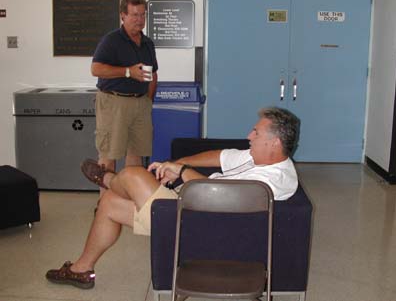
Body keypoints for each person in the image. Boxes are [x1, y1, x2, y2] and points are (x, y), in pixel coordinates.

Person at [46, 107, 300, 289]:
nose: (249, 136)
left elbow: (213, 196)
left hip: (199, 222)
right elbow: (219, 155)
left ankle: (108, 179)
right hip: (194, 206)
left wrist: (180, 172)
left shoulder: (275, 180)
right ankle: (81, 269)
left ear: (275, 143)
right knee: (110, 204)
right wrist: (177, 162)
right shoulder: (257, 156)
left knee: (133, 175)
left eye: (256, 133)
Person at [91, 0, 158, 194]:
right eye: (134, 15)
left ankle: (129, 197)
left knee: (136, 155)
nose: (139, 19)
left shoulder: (147, 43)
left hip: (141, 104)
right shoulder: (111, 40)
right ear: (123, 15)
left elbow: (153, 74)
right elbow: (96, 69)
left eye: (142, 15)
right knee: (109, 155)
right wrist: (128, 72)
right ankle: (104, 202)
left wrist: (148, 101)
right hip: (114, 103)